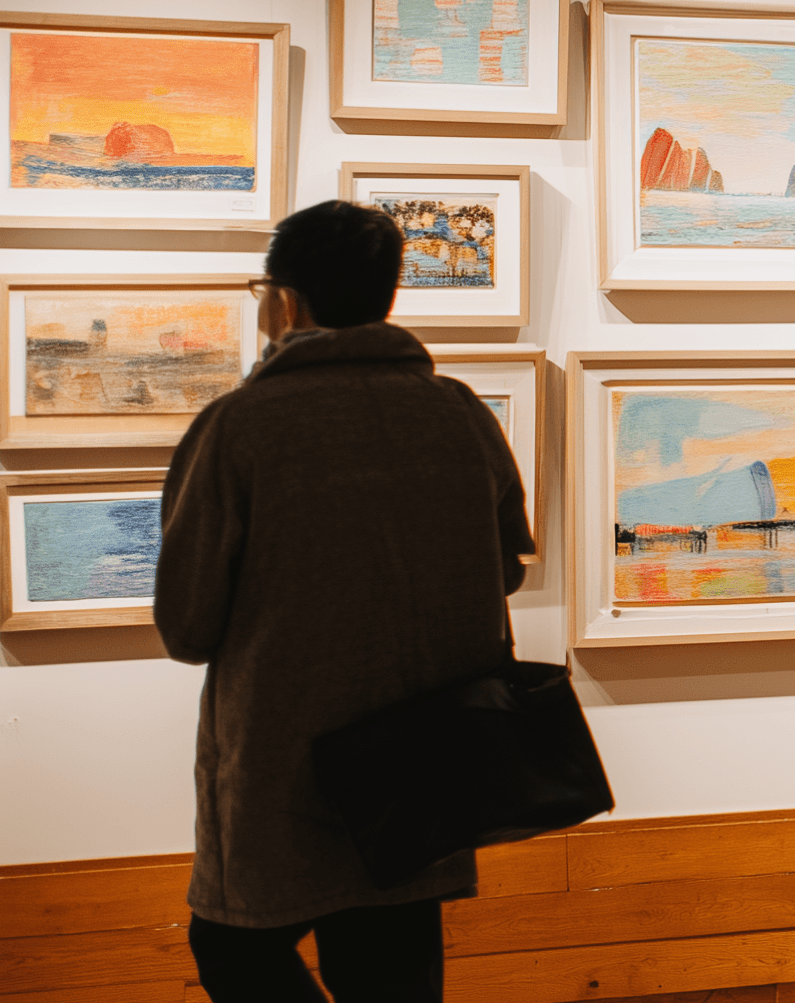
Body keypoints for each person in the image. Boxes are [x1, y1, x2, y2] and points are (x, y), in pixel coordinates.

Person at [153, 200, 534, 1002]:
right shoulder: (460, 415)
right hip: (422, 757)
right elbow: (503, 571)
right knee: (394, 973)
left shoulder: (241, 428)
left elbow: (187, 626)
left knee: (232, 948)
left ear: (286, 302)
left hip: (279, 771)